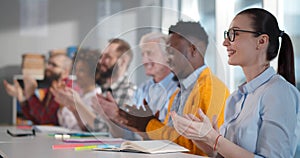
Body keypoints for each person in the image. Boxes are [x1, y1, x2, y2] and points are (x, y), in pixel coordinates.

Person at [171, 8, 300, 158]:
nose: (225, 42)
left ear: (261, 41)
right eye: (227, 35)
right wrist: (203, 138)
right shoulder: (235, 98)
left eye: (234, 34)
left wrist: (215, 139)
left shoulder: (279, 93)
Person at [95, 21, 230, 155]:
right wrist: (139, 125)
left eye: (171, 52)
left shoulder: (211, 90)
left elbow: (201, 149)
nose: (168, 59)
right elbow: (168, 141)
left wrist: (148, 125)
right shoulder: (179, 92)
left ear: (192, 50)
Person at [3, 53, 77, 125]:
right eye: (48, 63)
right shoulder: (52, 86)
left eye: (54, 65)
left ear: (66, 72)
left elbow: (45, 120)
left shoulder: (66, 88)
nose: (48, 67)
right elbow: (36, 118)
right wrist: (22, 98)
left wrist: (30, 94)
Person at [51, 50, 104, 131]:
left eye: (82, 70)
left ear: (94, 74)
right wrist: (63, 105)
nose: (77, 74)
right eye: (76, 70)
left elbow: (84, 128)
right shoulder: (79, 95)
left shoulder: (97, 99)